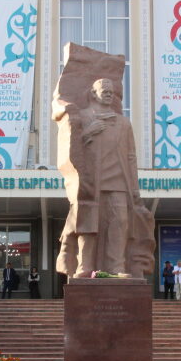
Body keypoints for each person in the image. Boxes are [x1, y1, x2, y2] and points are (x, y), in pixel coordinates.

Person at [53, 76, 155, 278]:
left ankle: (117, 267)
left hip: (118, 180)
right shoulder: (82, 117)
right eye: (104, 91)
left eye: (111, 92)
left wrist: (134, 187)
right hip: (90, 180)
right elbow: (68, 147)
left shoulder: (123, 123)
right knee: (87, 223)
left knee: (120, 223)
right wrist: (87, 133)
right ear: (93, 93)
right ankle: (85, 266)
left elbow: (131, 157)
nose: (109, 94)